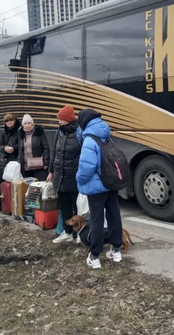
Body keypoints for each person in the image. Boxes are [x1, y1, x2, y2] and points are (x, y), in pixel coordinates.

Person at [76, 109, 123, 270]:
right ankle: (116, 251)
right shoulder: (106, 135)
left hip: (97, 187)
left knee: (97, 220)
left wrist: (79, 180)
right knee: (114, 215)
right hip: (111, 183)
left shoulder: (89, 139)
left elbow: (86, 167)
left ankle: (94, 256)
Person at [48, 105, 82, 244]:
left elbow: (83, 154)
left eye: (61, 119)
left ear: (68, 119)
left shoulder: (79, 132)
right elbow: (54, 153)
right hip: (60, 175)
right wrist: (51, 171)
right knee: (65, 205)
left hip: (74, 176)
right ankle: (67, 233)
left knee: (78, 206)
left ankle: (80, 233)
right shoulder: (59, 132)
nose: (59, 122)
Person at [17, 114, 50, 181]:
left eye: (29, 123)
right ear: (22, 125)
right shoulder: (21, 135)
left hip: (38, 165)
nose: (27, 125)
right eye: (25, 123)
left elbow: (46, 148)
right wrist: (18, 163)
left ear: (32, 124)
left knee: (39, 186)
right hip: (25, 166)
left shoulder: (39, 133)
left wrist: (46, 163)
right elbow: (20, 151)